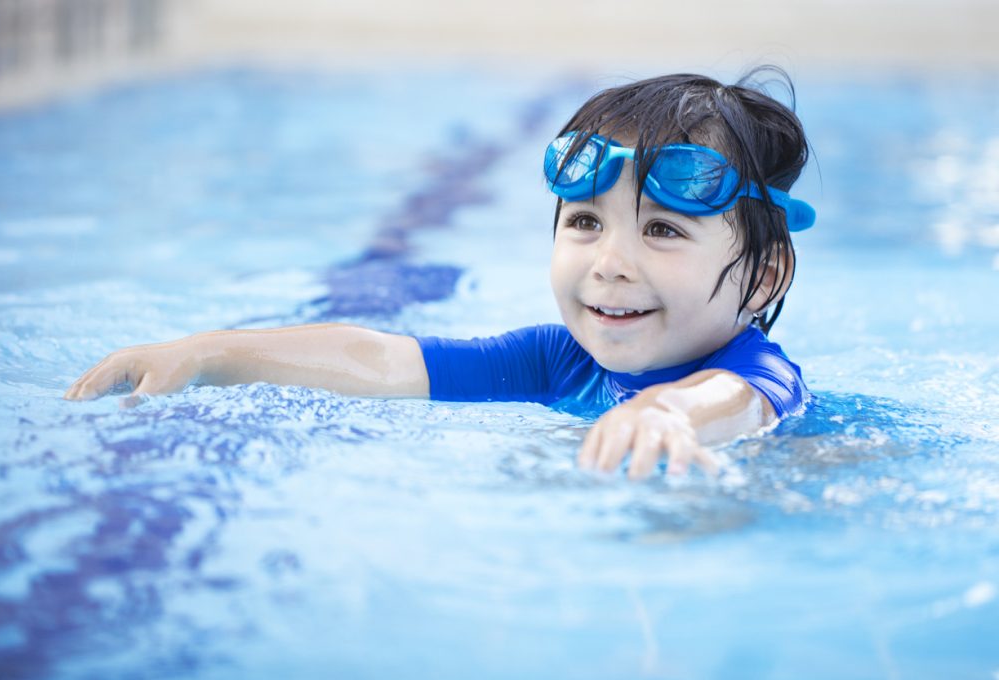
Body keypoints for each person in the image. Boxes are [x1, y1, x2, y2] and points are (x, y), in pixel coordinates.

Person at [65, 68, 815, 480]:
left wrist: (666, 414)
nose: (609, 264)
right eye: (585, 221)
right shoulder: (558, 360)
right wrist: (211, 351)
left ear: (762, 276)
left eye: (661, 229)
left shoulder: (757, 374)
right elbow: (382, 357)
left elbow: (731, 403)